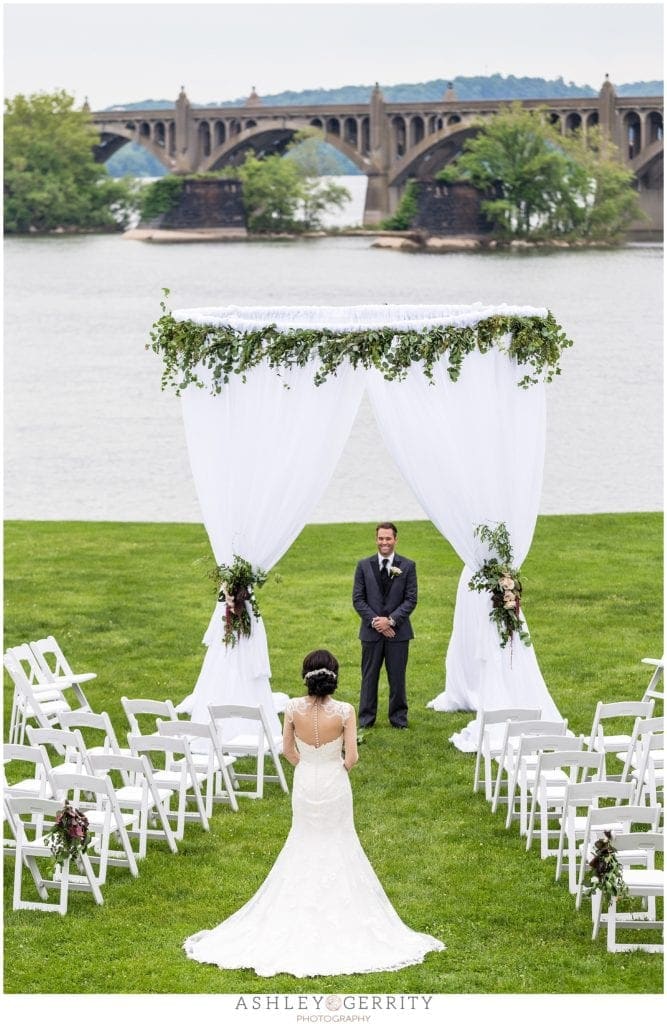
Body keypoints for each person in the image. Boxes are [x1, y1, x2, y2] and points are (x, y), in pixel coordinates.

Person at [183, 649, 444, 977]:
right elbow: (352, 758)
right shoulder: (346, 711)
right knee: (340, 841)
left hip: (306, 782)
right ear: (334, 677)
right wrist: (335, 768)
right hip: (334, 783)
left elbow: (287, 750)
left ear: (306, 676)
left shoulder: (292, 708)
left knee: (303, 840)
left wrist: (306, 766)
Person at [353, 522, 418, 729]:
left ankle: (399, 720)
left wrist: (390, 621)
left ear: (395, 540)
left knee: (397, 678)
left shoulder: (408, 566)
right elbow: (358, 599)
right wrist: (376, 622)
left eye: (388, 538)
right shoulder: (363, 565)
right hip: (371, 633)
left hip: (398, 634)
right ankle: (365, 720)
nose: (384, 542)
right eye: (381, 538)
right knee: (369, 677)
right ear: (376, 539)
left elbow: (410, 599)